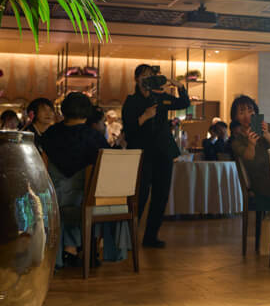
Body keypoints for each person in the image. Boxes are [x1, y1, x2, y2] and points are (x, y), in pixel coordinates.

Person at [122, 64, 190, 248]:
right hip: (141, 154)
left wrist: (179, 86)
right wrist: (144, 117)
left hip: (163, 152)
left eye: (150, 76)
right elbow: (128, 130)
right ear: (136, 79)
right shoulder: (131, 101)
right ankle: (128, 238)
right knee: (140, 196)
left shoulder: (160, 97)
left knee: (161, 195)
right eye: (144, 76)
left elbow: (184, 104)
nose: (147, 80)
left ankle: (151, 236)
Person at [41, 92, 111, 268]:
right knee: (90, 196)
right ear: (87, 111)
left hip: (53, 198)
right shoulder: (93, 137)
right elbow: (107, 166)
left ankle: (67, 250)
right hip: (83, 200)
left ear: (64, 110)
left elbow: (42, 165)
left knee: (72, 198)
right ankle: (80, 249)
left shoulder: (50, 133)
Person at [229, 95, 270, 199]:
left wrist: (266, 134)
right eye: (242, 113)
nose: (247, 115)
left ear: (255, 112)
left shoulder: (268, 127)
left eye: (250, 110)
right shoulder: (237, 140)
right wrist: (251, 144)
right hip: (257, 178)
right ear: (235, 117)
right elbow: (249, 157)